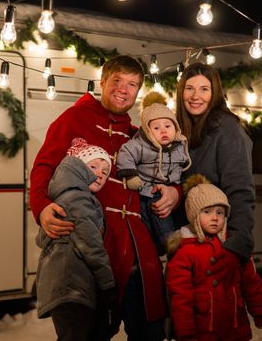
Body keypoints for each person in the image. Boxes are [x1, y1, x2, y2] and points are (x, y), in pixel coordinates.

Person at [30, 54, 175, 340]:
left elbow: (169, 171)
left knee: (149, 331)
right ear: (102, 82)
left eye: (132, 84)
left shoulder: (138, 136)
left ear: (138, 91)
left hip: (135, 248)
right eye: (117, 80)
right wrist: (41, 208)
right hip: (90, 244)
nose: (123, 89)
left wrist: (174, 192)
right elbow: (43, 167)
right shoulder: (73, 119)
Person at [175, 62, 256, 279]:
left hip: (218, 242)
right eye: (189, 88)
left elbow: (241, 191)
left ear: (215, 94)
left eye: (204, 89)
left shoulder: (227, 129)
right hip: (190, 240)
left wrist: (236, 246)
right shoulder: (181, 129)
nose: (195, 96)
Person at [165, 174, 262, 341]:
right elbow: (180, 296)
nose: (215, 217)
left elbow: (250, 281)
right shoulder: (184, 251)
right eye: (207, 212)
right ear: (194, 216)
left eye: (220, 212)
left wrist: (259, 310)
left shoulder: (232, 248)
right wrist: (185, 331)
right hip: (203, 330)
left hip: (234, 326)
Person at [35, 138, 119, 341]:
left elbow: (41, 241)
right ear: (77, 168)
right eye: (93, 166)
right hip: (73, 288)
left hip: (62, 289)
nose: (99, 173)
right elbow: (90, 246)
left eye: (105, 171)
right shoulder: (78, 199)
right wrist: (108, 284)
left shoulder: (62, 196)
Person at [116, 91, 191, 255]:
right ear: (148, 132)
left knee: (158, 213)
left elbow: (183, 166)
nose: (163, 131)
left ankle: (162, 245)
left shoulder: (180, 144)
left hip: (166, 189)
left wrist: (178, 184)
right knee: (155, 213)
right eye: (156, 128)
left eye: (168, 126)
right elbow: (125, 153)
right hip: (145, 188)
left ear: (175, 128)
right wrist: (130, 175)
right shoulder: (141, 145)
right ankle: (166, 240)